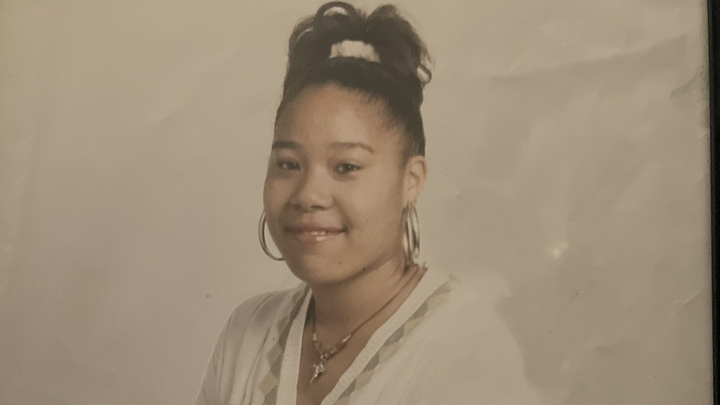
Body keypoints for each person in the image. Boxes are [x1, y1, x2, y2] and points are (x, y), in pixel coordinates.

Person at [195, 2, 539, 404]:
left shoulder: (467, 350)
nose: (308, 194)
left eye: (346, 166)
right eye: (288, 164)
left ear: (411, 181)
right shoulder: (248, 334)